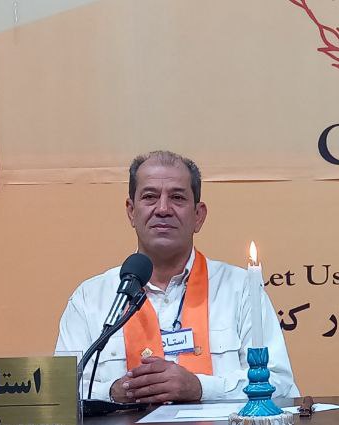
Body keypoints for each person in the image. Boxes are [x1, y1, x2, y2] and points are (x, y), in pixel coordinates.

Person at [56, 150, 298, 403]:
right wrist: (114, 392)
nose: (163, 209)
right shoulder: (90, 297)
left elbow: (279, 383)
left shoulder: (240, 288)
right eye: (150, 197)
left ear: (198, 215)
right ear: (131, 211)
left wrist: (200, 388)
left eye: (177, 198)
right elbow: (61, 393)